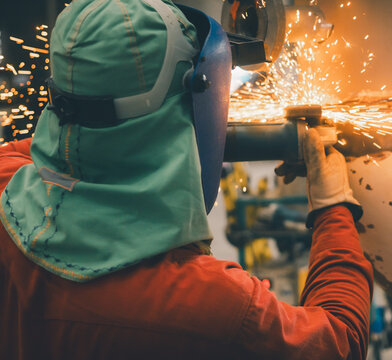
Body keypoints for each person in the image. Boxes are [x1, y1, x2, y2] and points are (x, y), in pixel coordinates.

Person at [0, 1, 373, 359]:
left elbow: (67, 142)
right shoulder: (215, 307)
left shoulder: (6, 185)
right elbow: (338, 342)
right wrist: (333, 207)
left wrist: (165, 142)